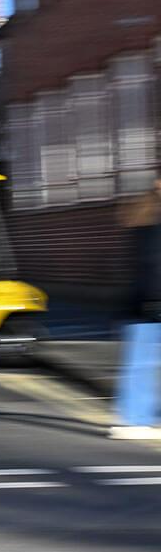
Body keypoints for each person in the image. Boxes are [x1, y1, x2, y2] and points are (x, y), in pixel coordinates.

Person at [110, 178, 161, 439]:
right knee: (140, 363)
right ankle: (139, 419)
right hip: (154, 300)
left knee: (138, 363)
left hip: (140, 301)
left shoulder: (143, 214)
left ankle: (134, 419)